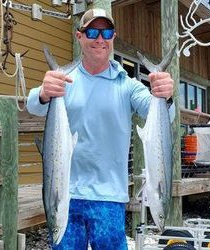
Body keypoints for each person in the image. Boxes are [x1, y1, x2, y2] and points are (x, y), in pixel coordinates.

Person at [27, 8, 174, 250]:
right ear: (79, 36)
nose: (100, 39)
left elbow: (162, 114)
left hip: (110, 197)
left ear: (113, 37)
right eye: (93, 31)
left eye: (106, 32)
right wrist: (43, 93)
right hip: (66, 194)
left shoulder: (128, 85)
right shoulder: (63, 80)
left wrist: (165, 97)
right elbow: (34, 105)